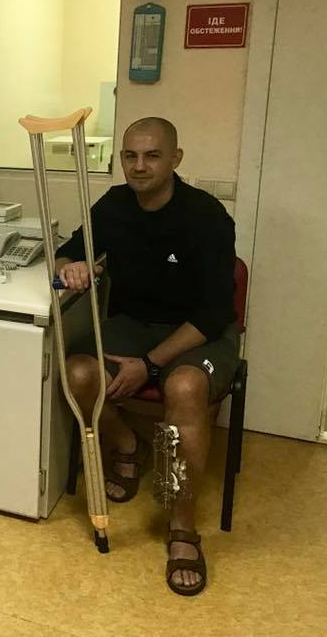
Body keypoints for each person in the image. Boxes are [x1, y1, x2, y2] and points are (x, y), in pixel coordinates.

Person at [55, 117, 237, 597]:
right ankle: (128, 445)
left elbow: (214, 313)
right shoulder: (114, 205)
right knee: (76, 372)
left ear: (175, 159)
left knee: (184, 386)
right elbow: (67, 252)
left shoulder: (206, 216)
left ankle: (182, 526)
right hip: (135, 325)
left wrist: (151, 365)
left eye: (152, 156)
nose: (139, 166)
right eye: (130, 156)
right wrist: (74, 267)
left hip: (199, 333)